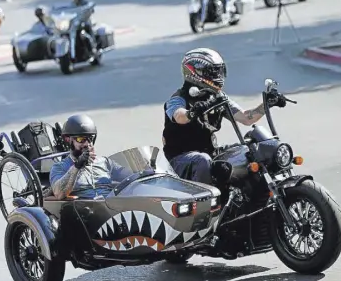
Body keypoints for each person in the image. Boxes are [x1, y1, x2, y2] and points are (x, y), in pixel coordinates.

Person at [162, 47, 286, 185]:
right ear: (195, 71)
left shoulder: (217, 96)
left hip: (210, 152)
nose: (218, 76)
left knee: (249, 150)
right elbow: (180, 116)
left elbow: (246, 118)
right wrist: (193, 111)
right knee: (202, 161)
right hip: (180, 159)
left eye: (219, 71)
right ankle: (209, 205)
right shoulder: (178, 98)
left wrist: (267, 104)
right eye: (213, 72)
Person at [49, 114, 133, 200]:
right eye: (81, 139)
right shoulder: (59, 167)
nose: (87, 144)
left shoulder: (105, 162)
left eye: (90, 138)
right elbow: (59, 194)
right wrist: (77, 166)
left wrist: (145, 171)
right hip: (82, 210)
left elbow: (131, 176)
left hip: (111, 207)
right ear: (68, 139)